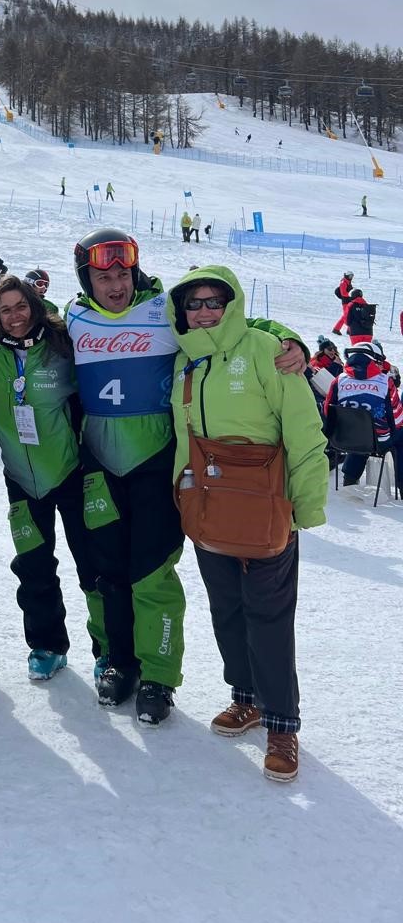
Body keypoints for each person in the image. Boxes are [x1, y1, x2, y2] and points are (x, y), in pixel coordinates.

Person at [65, 229, 309, 726]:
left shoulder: (162, 310)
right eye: (103, 276)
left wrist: (289, 338)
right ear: (85, 278)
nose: (115, 285)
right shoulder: (70, 318)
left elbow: (231, 324)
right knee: (107, 572)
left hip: (156, 466)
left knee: (153, 574)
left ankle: (159, 675)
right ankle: (118, 661)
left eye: (122, 274)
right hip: (99, 468)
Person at [167, 266, 327, 783]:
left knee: (269, 616)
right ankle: (246, 698)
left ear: (232, 304)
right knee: (226, 609)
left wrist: (304, 507)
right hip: (210, 505)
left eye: (216, 300)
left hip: (267, 506)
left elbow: (304, 431)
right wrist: (183, 495)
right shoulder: (185, 361)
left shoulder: (267, 350)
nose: (206, 310)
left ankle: (282, 723)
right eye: (195, 303)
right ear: (183, 312)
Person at [0, 276, 91, 681]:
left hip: (70, 473)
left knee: (92, 565)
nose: (14, 317)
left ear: (35, 305)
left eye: (20, 307)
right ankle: (46, 646)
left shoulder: (63, 348)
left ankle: (108, 650)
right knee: (34, 565)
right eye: (4, 310)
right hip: (21, 479)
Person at [323, 340, 403, 491]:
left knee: (360, 432)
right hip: (377, 442)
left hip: (343, 439)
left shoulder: (338, 380)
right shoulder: (386, 382)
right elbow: (397, 420)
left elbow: (328, 412)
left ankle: (350, 478)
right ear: (374, 360)